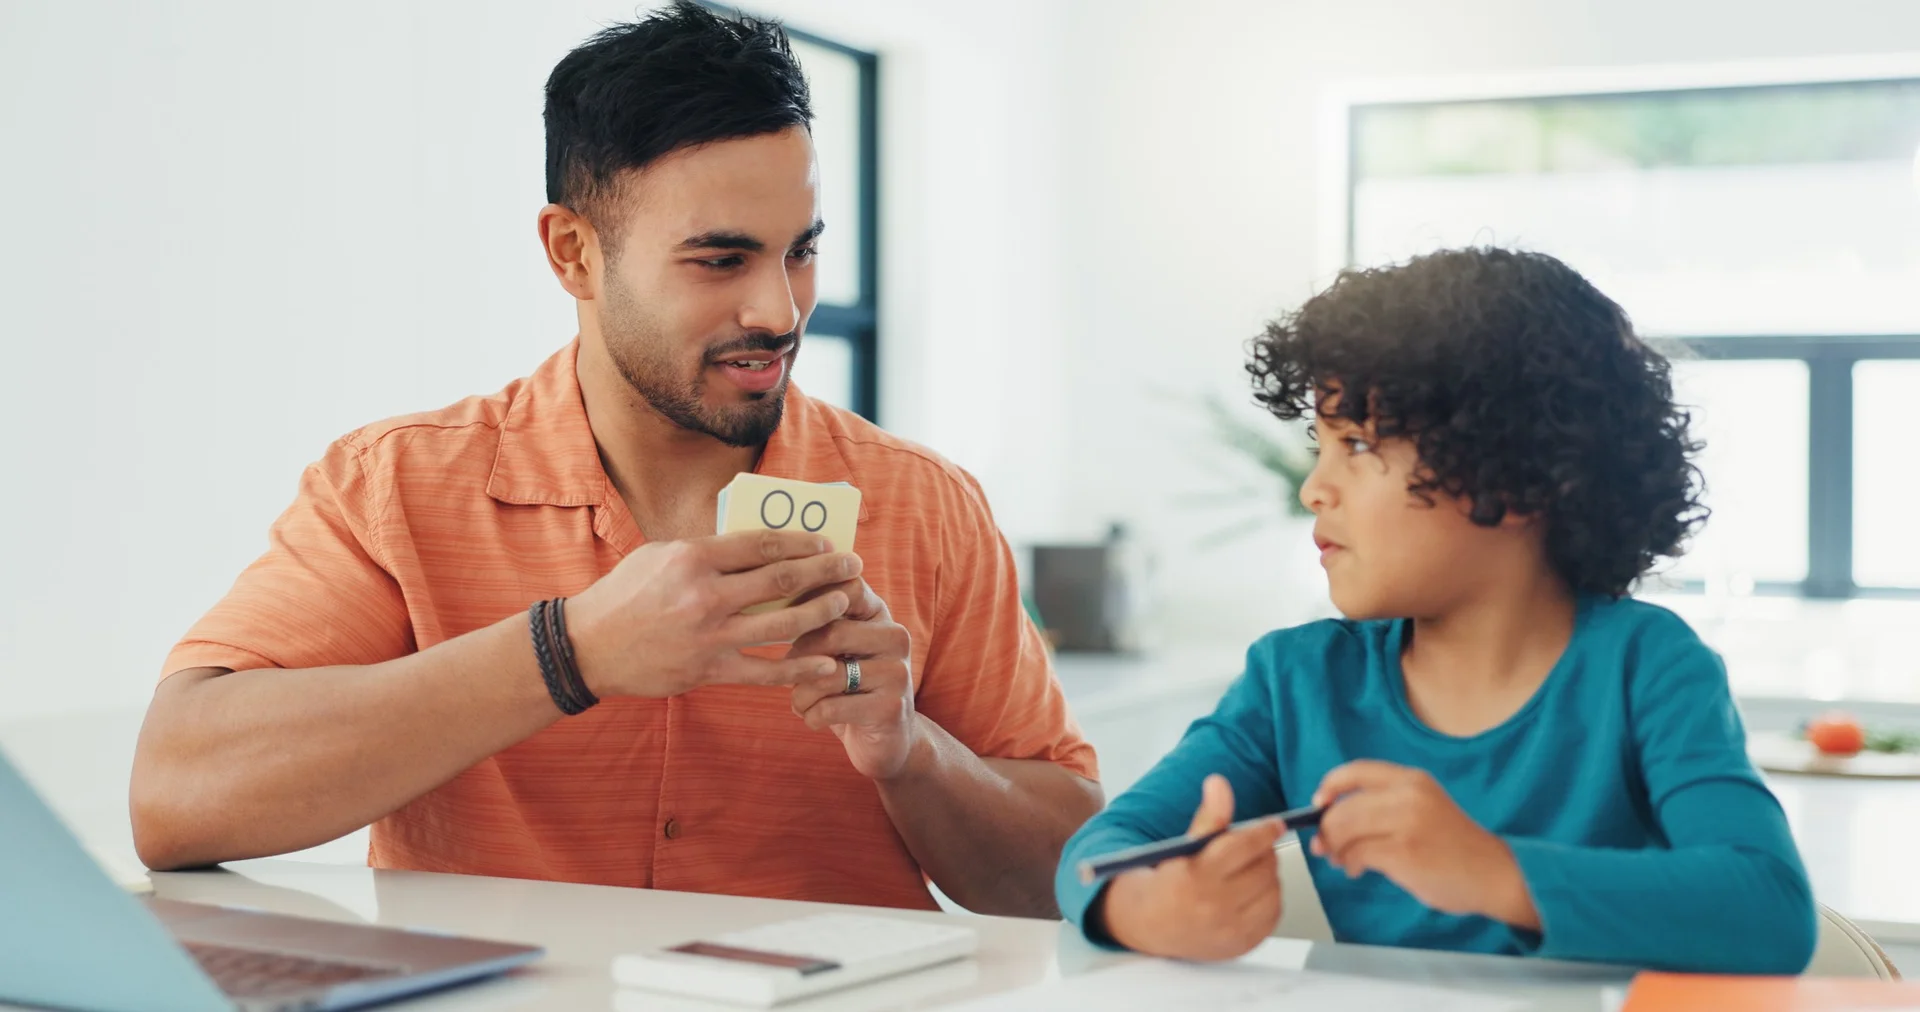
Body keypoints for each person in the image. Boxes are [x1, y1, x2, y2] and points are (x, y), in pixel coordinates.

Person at [130, 1, 1100, 917]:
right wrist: (571, 650)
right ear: (573, 255)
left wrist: (913, 754)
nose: (779, 309)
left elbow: (1073, 872)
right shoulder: (394, 486)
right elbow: (175, 796)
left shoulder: (926, 506)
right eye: (721, 260)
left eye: (799, 250)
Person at [1054, 247, 1817, 972]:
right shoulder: (1295, 682)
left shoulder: (1646, 668)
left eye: (1354, 444)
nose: (1313, 488)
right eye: (1319, 446)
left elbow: (1770, 910)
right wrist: (1145, 908)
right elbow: (1101, 852)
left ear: (1511, 477)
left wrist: (1490, 871)